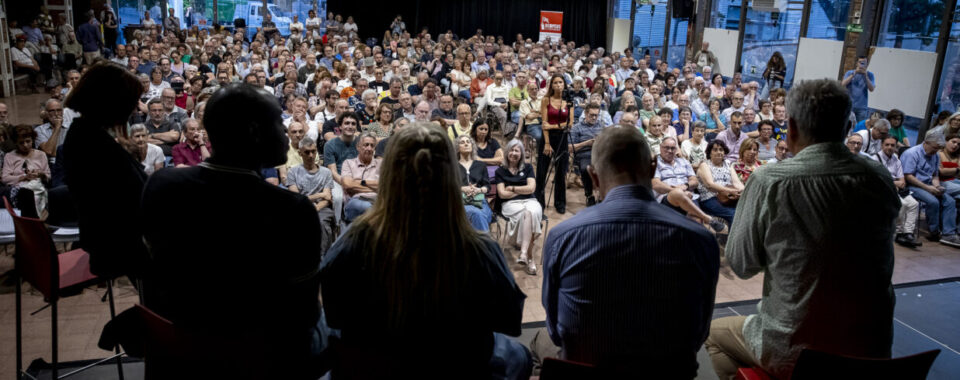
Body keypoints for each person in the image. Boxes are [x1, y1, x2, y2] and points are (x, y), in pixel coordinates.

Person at [706, 79, 900, 379]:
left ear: (792, 128)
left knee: (711, 334)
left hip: (797, 351)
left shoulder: (770, 181)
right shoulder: (879, 176)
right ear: (848, 128)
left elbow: (742, 265)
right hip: (872, 348)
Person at [142, 84, 330, 378]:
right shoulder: (292, 210)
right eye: (277, 125)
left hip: (180, 348)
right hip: (261, 356)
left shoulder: (162, 185)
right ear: (255, 131)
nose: (285, 134)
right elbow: (302, 312)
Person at [320, 122, 530, 379]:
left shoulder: (353, 242)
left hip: (374, 368)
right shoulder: (481, 250)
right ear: (450, 177)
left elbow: (334, 315)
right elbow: (510, 321)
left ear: (389, 176)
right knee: (520, 356)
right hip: (459, 366)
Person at [534, 126, 718, 378]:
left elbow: (556, 331)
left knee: (539, 340)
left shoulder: (562, 236)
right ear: (653, 168)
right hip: (670, 371)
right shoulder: (701, 239)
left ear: (594, 177)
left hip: (588, 368)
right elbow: (699, 333)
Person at [64, 63, 148, 281]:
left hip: (110, 237)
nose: (135, 109)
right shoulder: (93, 145)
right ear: (112, 102)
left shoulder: (84, 133)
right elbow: (130, 198)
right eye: (131, 101)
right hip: (117, 244)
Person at [652, 136, 726, 234]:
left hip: (689, 196)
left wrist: (685, 186)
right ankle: (707, 218)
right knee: (677, 193)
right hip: (667, 199)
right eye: (667, 148)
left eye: (673, 148)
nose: (670, 151)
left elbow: (694, 181)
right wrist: (678, 191)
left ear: (676, 149)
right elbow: (656, 185)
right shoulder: (655, 163)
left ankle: (706, 230)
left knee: (702, 228)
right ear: (660, 147)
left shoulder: (683, 161)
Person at [903, 132, 960, 246]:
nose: (936, 151)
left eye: (938, 148)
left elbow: (934, 175)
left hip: (929, 184)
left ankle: (948, 234)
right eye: (934, 148)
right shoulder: (912, 153)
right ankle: (934, 231)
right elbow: (908, 176)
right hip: (913, 185)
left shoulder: (935, 155)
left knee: (950, 201)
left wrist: (937, 186)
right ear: (926, 142)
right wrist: (928, 188)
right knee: (933, 201)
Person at [496, 139, 542, 275]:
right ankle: (530, 258)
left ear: (521, 154)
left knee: (529, 213)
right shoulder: (500, 171)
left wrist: (513, 188)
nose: (514, 153)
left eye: (517, 150)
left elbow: (532, 189)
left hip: (531, 201)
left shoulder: (528, 168)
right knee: (530, 216)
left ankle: (523, 253)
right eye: (511, 150)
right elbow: (502, 194)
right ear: (507, 152)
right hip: (510, 204)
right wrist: (523, 190)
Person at [286, 137, 336, 256]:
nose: (311, 155)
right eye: (307, 152)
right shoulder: (293, 172)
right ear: (300, 153)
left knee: (321, 223)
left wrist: (315, 208)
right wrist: (320, 194)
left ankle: (322, 257)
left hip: (322, 208)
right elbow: (296, 199)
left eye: (313, 151)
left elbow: (327, 199)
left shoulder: (326, 172)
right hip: (300, 208)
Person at [872, 136, 921, 248]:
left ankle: (908, 233)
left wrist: (896, 183)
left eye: (892, 145)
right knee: (901, 204)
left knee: (914, 204)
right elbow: (877, 180)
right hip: (882, 190)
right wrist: (895, 183)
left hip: (897, 189)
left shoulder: (896, 159)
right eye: (887, 144)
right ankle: (898, 233)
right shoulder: (875, 159)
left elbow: (902, 181)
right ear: (882, 145)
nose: (890, 147)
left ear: (896, 147)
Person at [537, 74, 572, 214]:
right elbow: (544, 124)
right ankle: (539, 202)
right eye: (555, 83)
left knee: (560, 173)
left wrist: (552, 126)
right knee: (541, 172)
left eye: (560, 82)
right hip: (547, 138)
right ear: (551, 85)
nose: (558, 85)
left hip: (562, 138)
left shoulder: (569, 100)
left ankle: (560, 203)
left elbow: (569, 124)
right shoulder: (546, 100)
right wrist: (547, 143)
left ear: (564, 84)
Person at [2, 125, 51, 212]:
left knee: (38, 193)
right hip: (18, 190)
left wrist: (40, 175)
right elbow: (5, 178)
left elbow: (48, 176)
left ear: (33, 140)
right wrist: (24, 177)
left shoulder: (41, 155)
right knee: (25, 194)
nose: (25, 145)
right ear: (16, 143)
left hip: (38, 187)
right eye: (21, 143)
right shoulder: (9, 156)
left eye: (28, 141)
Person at [324, 112, 361, 224]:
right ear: (340, 126)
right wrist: (346, 184)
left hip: (358, 178)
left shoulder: (362, 142)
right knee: (338, 198)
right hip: (338, 179)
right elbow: (332, 171)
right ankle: (337, 224)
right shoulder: (330, 144)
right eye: (347, 123)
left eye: (353, 124)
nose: (350, 126)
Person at [697, 140, 743, 226]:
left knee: (747, 210)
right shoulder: (705, 165)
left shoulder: (728, 164)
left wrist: (743, 191)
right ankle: (733, 235)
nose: (719, 152)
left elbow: (737, 182)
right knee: (733, 214)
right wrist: (730, 190)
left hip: (729, 197)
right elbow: (710, 184)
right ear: (710, 153)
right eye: (715, 150)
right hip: (710, 198)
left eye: (721, 149)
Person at [569, 103, 606, 206]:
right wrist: (587, 143)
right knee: (586, 168)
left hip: (600, 154)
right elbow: (570, 148)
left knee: (608, 168)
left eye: (596, 115)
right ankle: (589, 195)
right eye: (591, 115)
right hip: (584, 154)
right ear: (585, 114)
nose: (594, 118)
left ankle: (602, 195)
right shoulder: (577, 128)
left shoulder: (601, 126)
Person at [341, 132, 381, 223]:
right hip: (356, 200)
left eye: (372, 145)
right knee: (369, 208)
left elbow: (385, 187)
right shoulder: (348, 163)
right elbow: (348, 186)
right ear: (358, 147)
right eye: (366, 145)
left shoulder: (381, 164)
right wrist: (376, 187)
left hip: (378, 200)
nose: (369, 148)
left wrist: (362, 182)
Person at [457, 134, 493, 232]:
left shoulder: (481, 165)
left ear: (472, 146)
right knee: (477, 215)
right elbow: (447, 187)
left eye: (468, 142)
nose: (466, 144)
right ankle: (484, 241)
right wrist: (462, 188)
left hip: (480, 201)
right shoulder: (453, 166)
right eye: (462, 142)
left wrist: (479, 190)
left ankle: (476, 240)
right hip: (461, 202)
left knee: (482, 215)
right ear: (457, 148)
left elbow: (487, 186)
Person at [842, 56, 876, 121]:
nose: (861, 64)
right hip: (849, 105)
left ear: (867, 64)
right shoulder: (849, 73)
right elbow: (843, 84)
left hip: (862, 107)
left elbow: (871, 89)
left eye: (864, 63)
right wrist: (854, 74)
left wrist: (866, 76)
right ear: (856, 63)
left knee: (860, 125)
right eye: (860, 62)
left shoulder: (870, 75)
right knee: (846, 124)